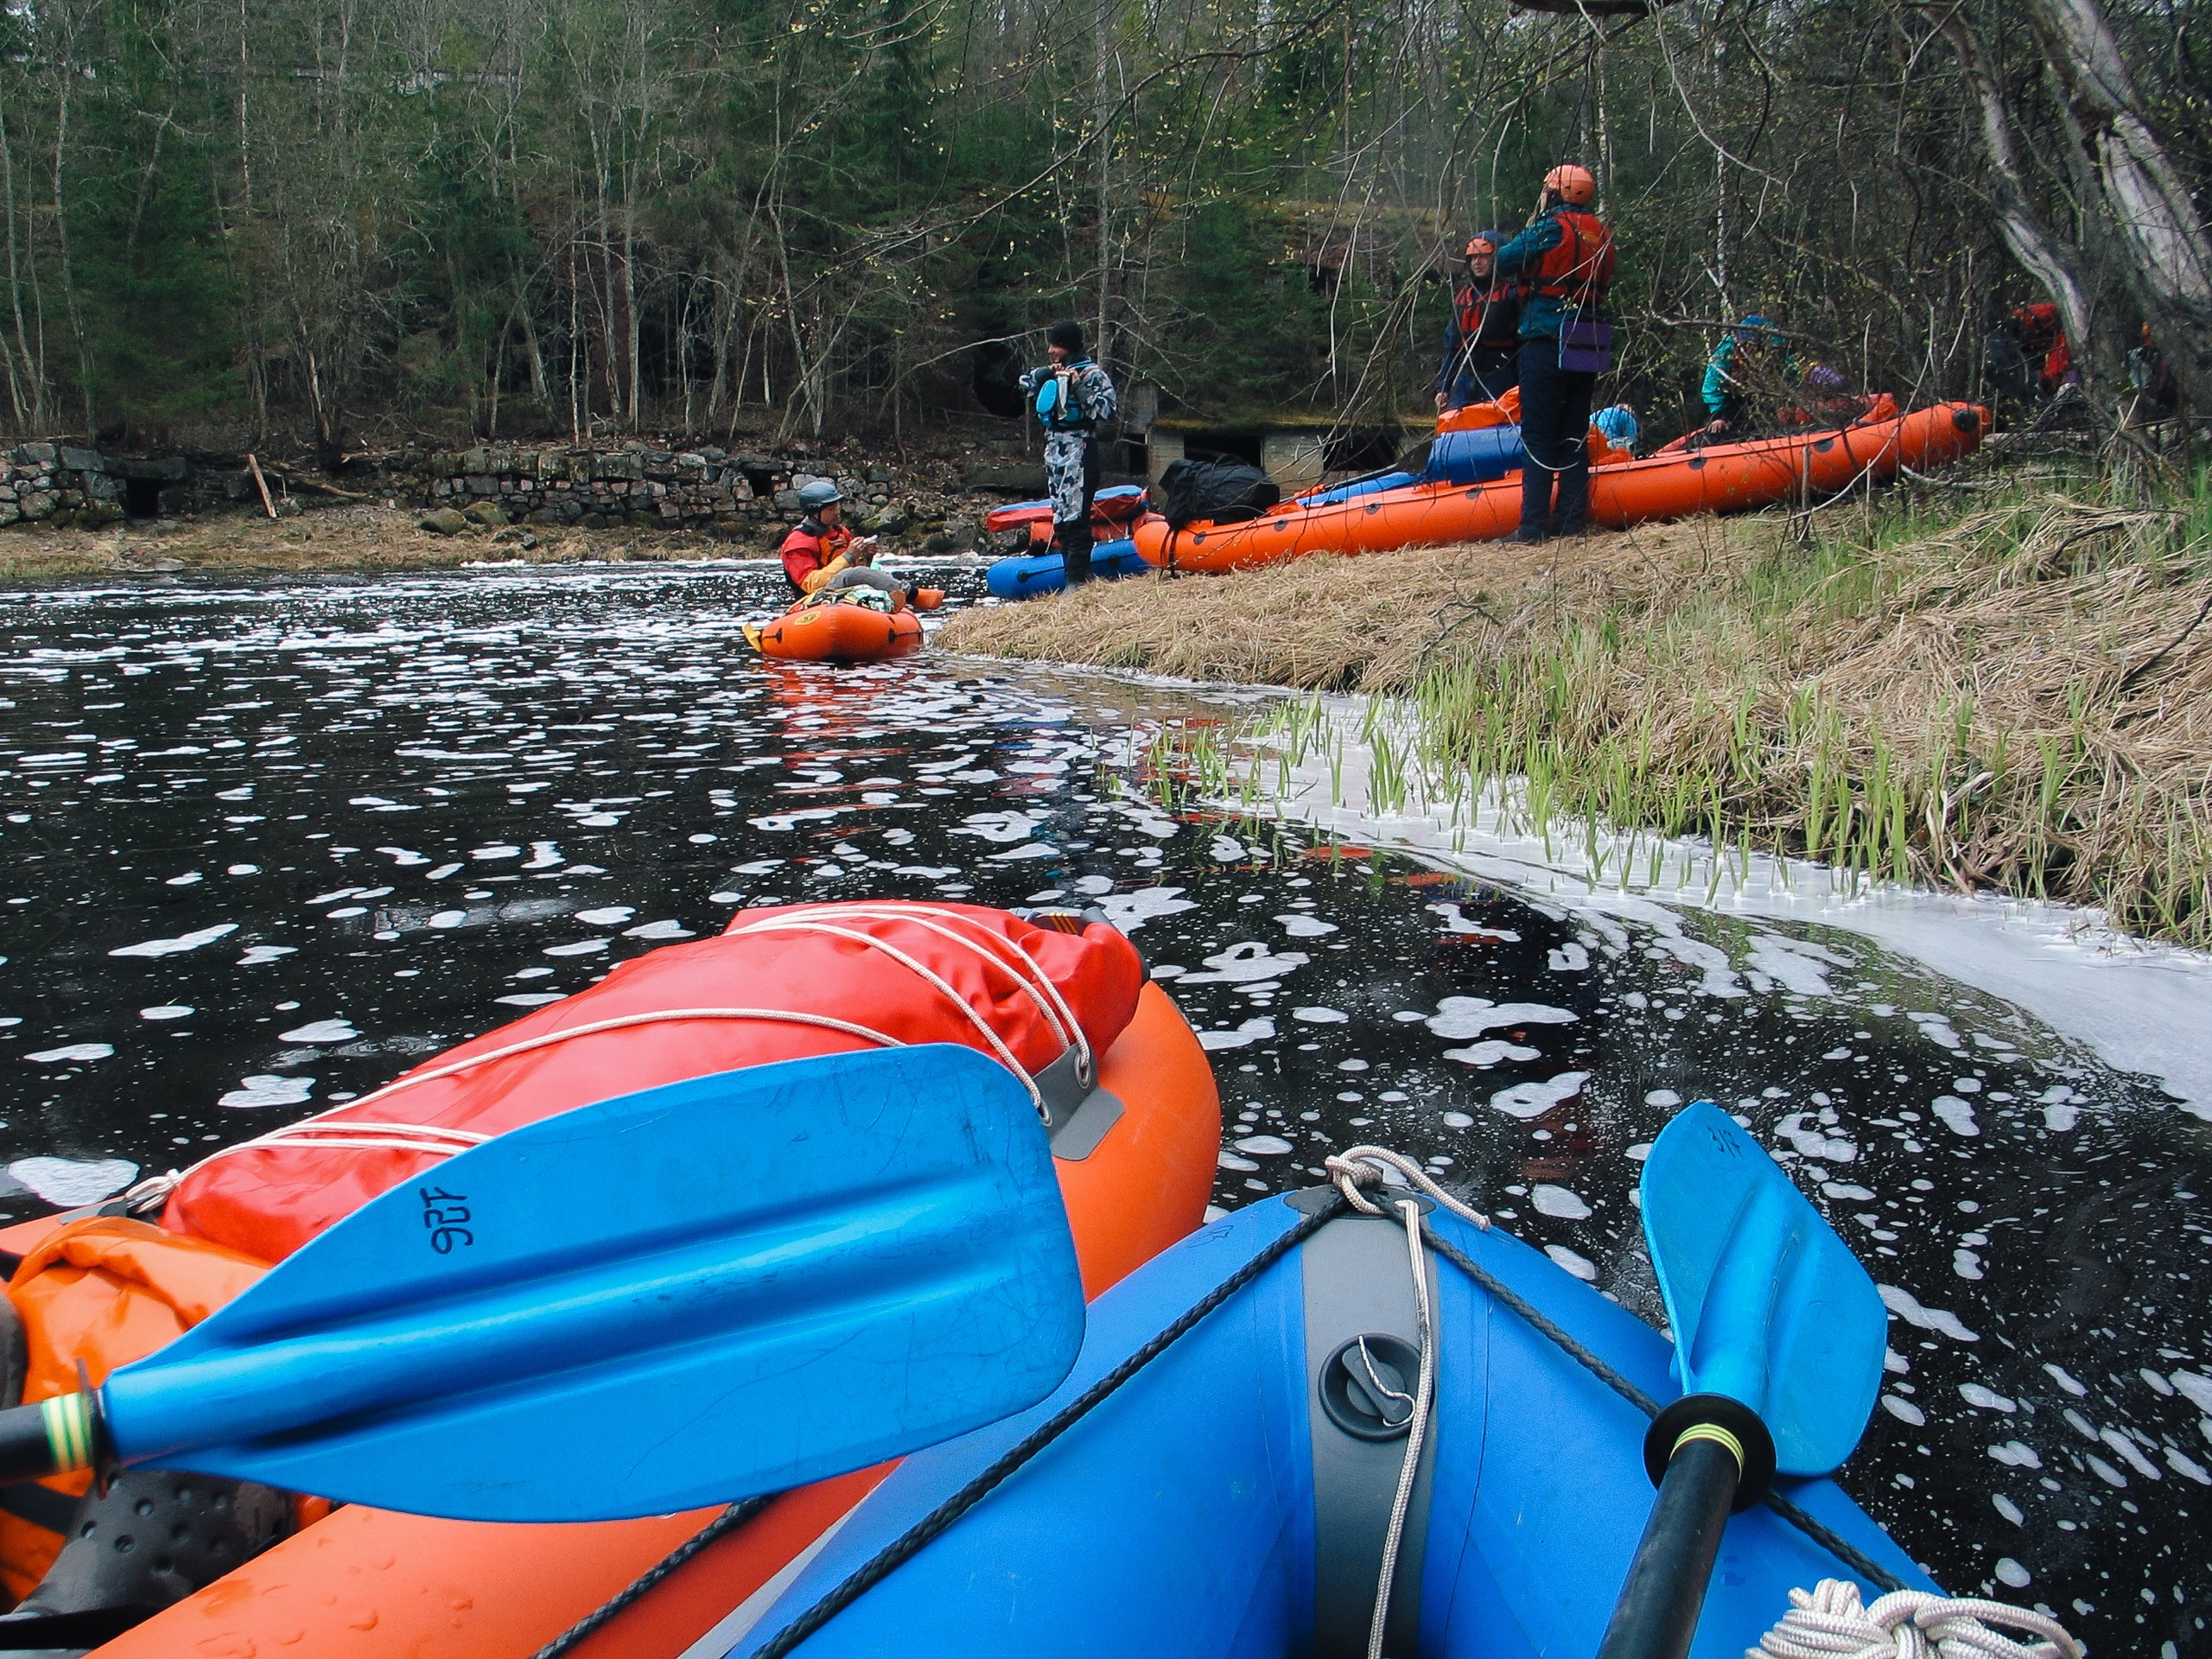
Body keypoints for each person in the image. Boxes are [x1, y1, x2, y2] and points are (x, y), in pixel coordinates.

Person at [1491, 162, 1616, 542]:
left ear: (1558, 193)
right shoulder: (1603, 234)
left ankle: (1532, 528)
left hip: (1547, 333)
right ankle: (1570, 523)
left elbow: (1503, 260)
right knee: (1574, 432)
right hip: (1590, 335)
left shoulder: (1548, 228)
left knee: (1539, 433)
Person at [1018, 321, 1117, 585]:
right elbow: (1024, 382)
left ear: (1068, 346)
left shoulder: (1092, 374)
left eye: (1056, 345)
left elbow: (1107, 411)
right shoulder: (1052, 371)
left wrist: (1079, 388)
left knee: (1076, 518)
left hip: (1080, 448)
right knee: (1061, 518)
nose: (1050, 350)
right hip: (1055, 451)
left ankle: (1078, 580)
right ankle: (1070, 579)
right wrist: (1045, 375)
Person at [777, 480, 939, 609]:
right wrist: (848, 556)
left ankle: (894, 601)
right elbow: (811, 585)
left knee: (863, 571)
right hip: (813, 599)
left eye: (838, 506)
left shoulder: (840, 532)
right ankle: (913, 594)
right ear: (814, 512)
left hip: (844, 594)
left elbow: (859, 569)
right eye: (832, 508)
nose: (838, 511)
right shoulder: (798, 541)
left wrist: (866, 556)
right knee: (853, 574)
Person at [1434, 232, 1521, 411]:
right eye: (1473, 257)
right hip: (1466, 378)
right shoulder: (1463, 299)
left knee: (1497, 429)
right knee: (1456, 429)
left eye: (1484, 256)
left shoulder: (1512, 296)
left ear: (1496, 258)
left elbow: (1524, 346)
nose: (1477, 262)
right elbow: (1452, 348)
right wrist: (1443, 387)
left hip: (1501, 376)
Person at [1700, 315, 1798, 435]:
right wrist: (1718, 415)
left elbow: (1792, 375)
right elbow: (1712, 382)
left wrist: (1789, 405)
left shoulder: (1776, 350)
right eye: (1745, 343)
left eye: (1752, 344)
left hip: (1769, 399)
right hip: (1735, 400)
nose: (1748, 348)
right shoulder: (1727, 349)